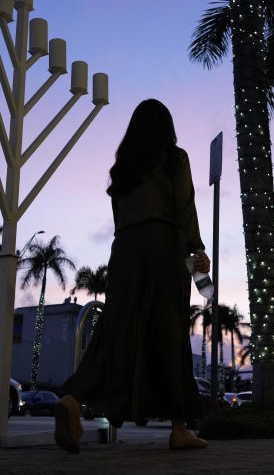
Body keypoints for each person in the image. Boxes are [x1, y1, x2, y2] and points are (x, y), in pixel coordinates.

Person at [54, 99, 211, 453]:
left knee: (117, 333)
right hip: (162, 246)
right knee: (169, 332)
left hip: (124, 249)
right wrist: (196, 248)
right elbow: (184, 204)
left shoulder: (122, 168)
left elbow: (117, 218)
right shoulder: (175, 158)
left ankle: (73, 399)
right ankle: (179, 428)